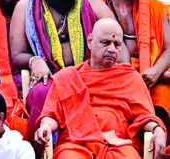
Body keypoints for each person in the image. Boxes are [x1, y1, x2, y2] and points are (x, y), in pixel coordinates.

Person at [9, 0, 114, 141]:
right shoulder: (24, 9)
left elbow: (117, 45)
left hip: (89, 76)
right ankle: (46, 148)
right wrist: (35, 61)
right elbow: (16, 56)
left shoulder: (92, 4)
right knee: (41, 93)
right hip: (50, 79)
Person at [34, 18, 168, 159]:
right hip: (76, 144)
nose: (111, 49)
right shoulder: (68, 77)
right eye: (105, 42)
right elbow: (52, 115)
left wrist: (157, 129)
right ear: (90, 41)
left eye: (117, 44)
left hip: (118, 144)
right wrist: (45, 127)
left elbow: (145, 116)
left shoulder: (131, 77)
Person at [98, 0, 170, 116]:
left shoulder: (155, 8)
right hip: (108, 78)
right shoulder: (96, 4)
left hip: (150, 79)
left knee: (162, 104)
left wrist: (156, 71)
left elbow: (169, 48)